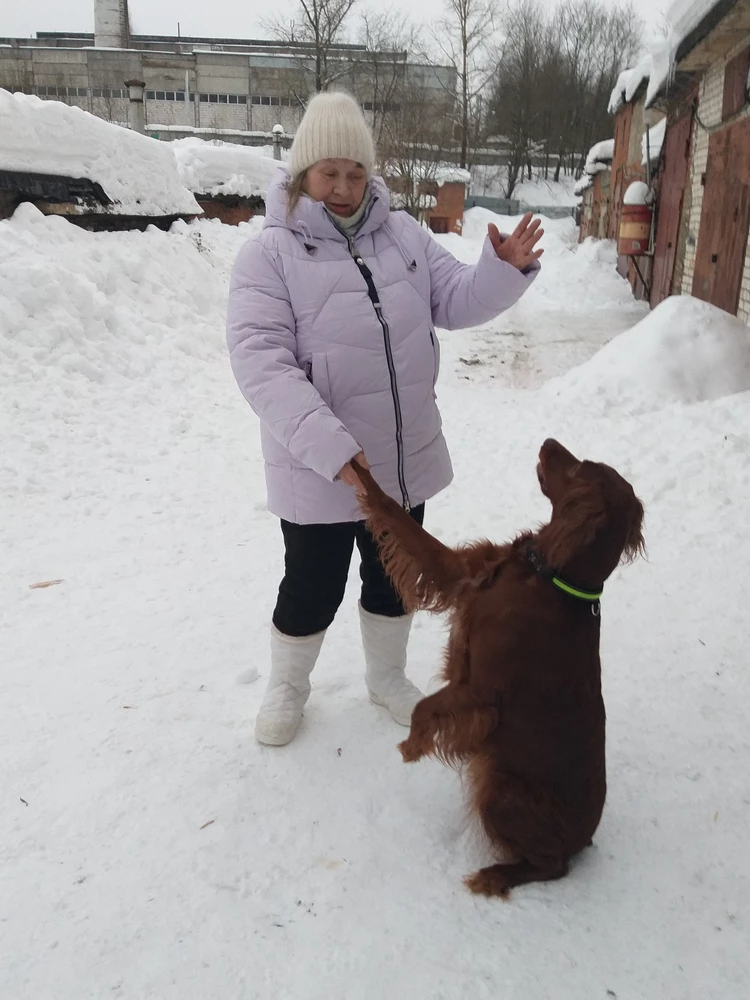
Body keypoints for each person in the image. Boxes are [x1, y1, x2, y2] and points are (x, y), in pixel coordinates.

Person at [227, 91, 544, 746]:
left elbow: (454, 299)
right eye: (329, 172)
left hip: (401, 462)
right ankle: (288, 684)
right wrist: (329, 446)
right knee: (311, 585)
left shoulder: (402, 237)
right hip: (320, 470)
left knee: (396, 576)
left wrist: (502, 270)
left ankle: (387, 676)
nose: (343, 187)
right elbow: (262, 363)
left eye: (355, 172)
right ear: (303, 172)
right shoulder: (270, 256)